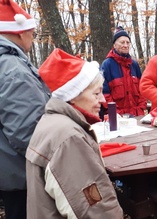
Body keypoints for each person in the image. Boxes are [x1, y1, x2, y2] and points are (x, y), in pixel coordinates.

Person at [25, 48, 123, 218]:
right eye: (96, 93)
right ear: (73, 96)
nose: (103, 100)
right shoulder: (69, 139)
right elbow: (94, 211)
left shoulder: (52, 123)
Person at [0, 1, 51, 218]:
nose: (33, 38)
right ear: (20, 33)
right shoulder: (14, 70)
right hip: (21, 174)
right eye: (32, 33)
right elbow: (27, 133)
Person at [101, 26, 147, 117]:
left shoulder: (134, 65)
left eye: (128, 42)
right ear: (114, 45)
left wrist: (141, 108)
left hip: (137, 116)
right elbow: (104, 94)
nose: (126, 45)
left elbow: (142, 90)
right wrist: (116, 115)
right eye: (122, 42)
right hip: (117, 118)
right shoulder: (107, 65)